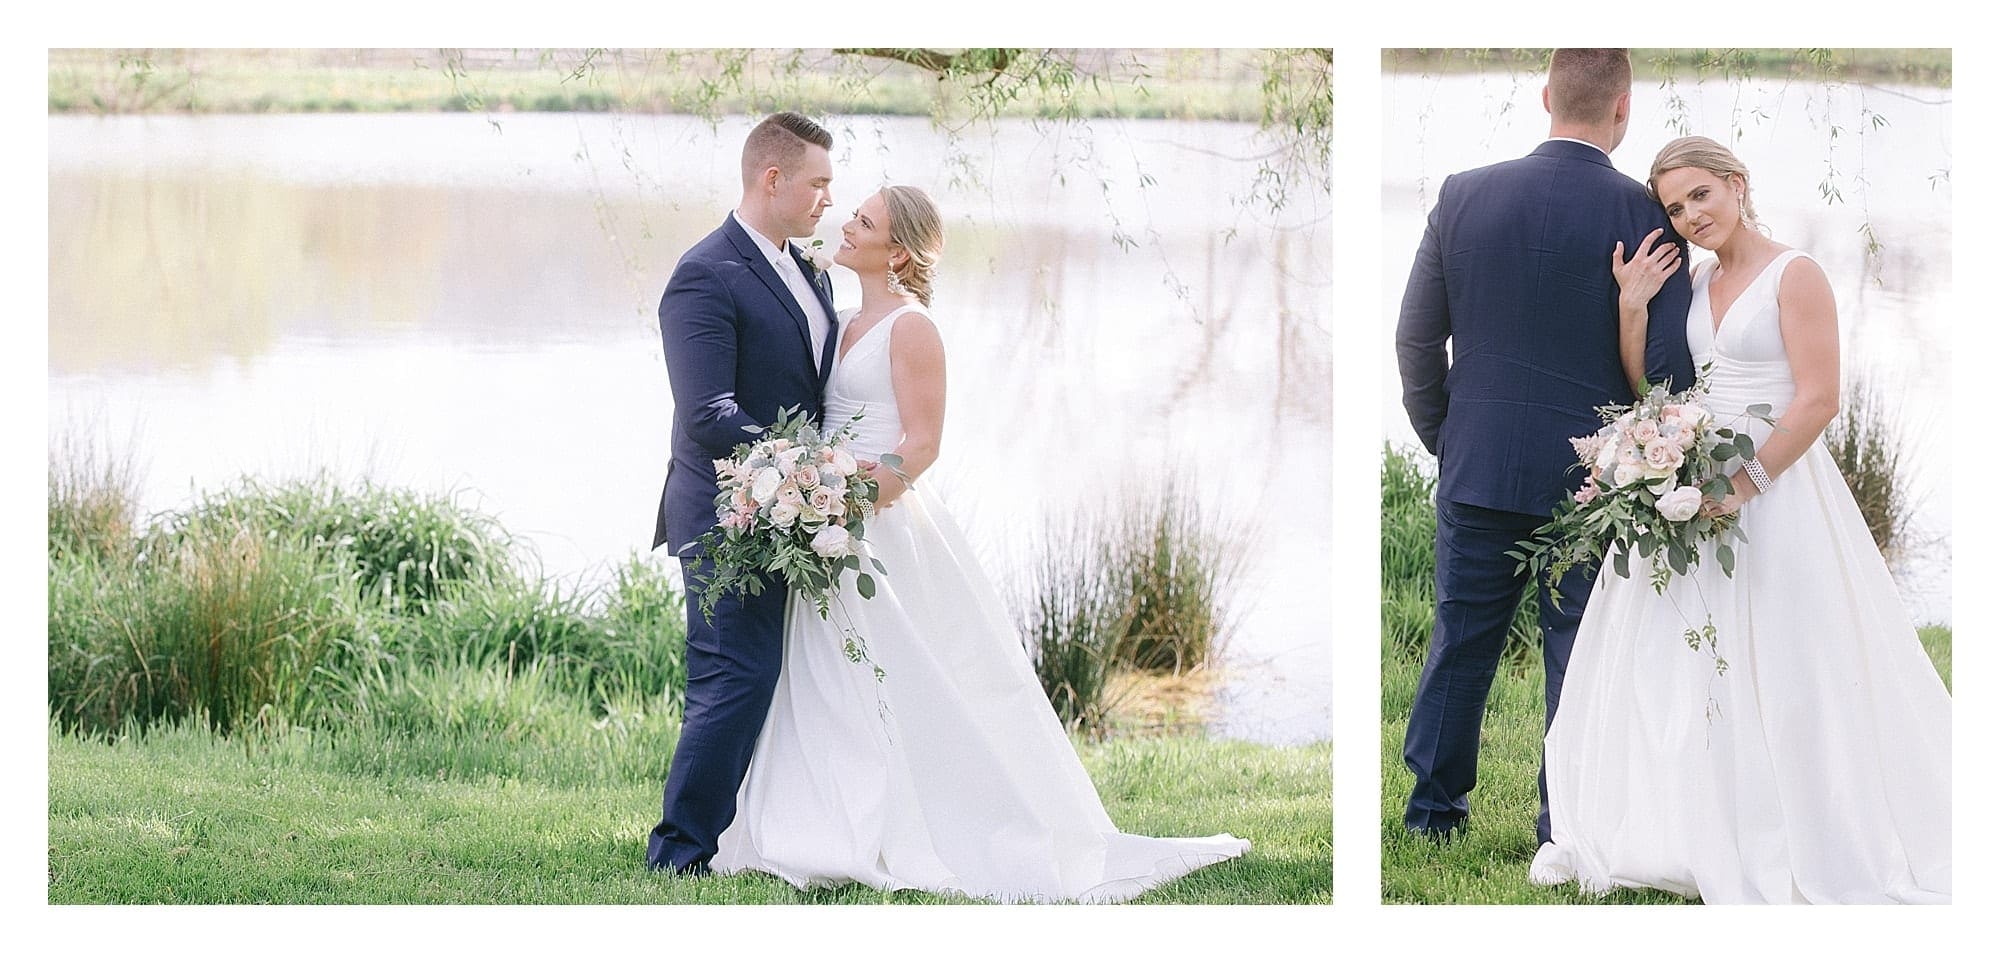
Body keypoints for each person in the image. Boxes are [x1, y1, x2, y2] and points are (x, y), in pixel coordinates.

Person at [709, 184, 1249, 902]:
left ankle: (913, 825)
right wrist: (806, 496)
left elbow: (922, 445)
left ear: (896, 249)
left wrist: (845, 501)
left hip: (879, 526)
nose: (846, 222)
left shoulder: (913, 328)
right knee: (824, 680)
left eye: (864, 220)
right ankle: (814, 822)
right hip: (826, 526)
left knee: (901, 677)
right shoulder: (838, 321)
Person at [1529, 136, 1953, 904]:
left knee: (1791, 658)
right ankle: (1691, 819)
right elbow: (1656, 386)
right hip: (1695, 488)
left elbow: (1820, 397)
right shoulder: (1692, 281)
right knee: (1684, 659)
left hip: (1776, 487)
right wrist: (1632, 311)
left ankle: (1802, 822)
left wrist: (1747, 482)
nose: (1690, 215)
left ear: (1737, 184)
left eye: (1700, 195)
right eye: (1674, 206)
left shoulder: (1797, 274)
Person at [1394, 49, 1695, 843]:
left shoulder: (1463, 195)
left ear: (1544, 96)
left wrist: (1446, 435)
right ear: (1623, 108)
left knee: (1461, 642)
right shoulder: (1648, 217)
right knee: (1578, 652)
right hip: (1593, 479)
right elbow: (1670, 377)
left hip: (1478, 463)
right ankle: (1566, 824)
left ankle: (1432, 816)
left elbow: (1415, 340)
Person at [646, 112, 840, 875]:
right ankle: (679, 852)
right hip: (725, 513)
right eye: (819, 182)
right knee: (735, 673)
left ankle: (750, 834)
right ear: (773, 178)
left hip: (791, 512)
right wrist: (804, 472)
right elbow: (706, 413)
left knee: (777, 674)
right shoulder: (705, 273)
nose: (830, 197)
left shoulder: (810, 268)